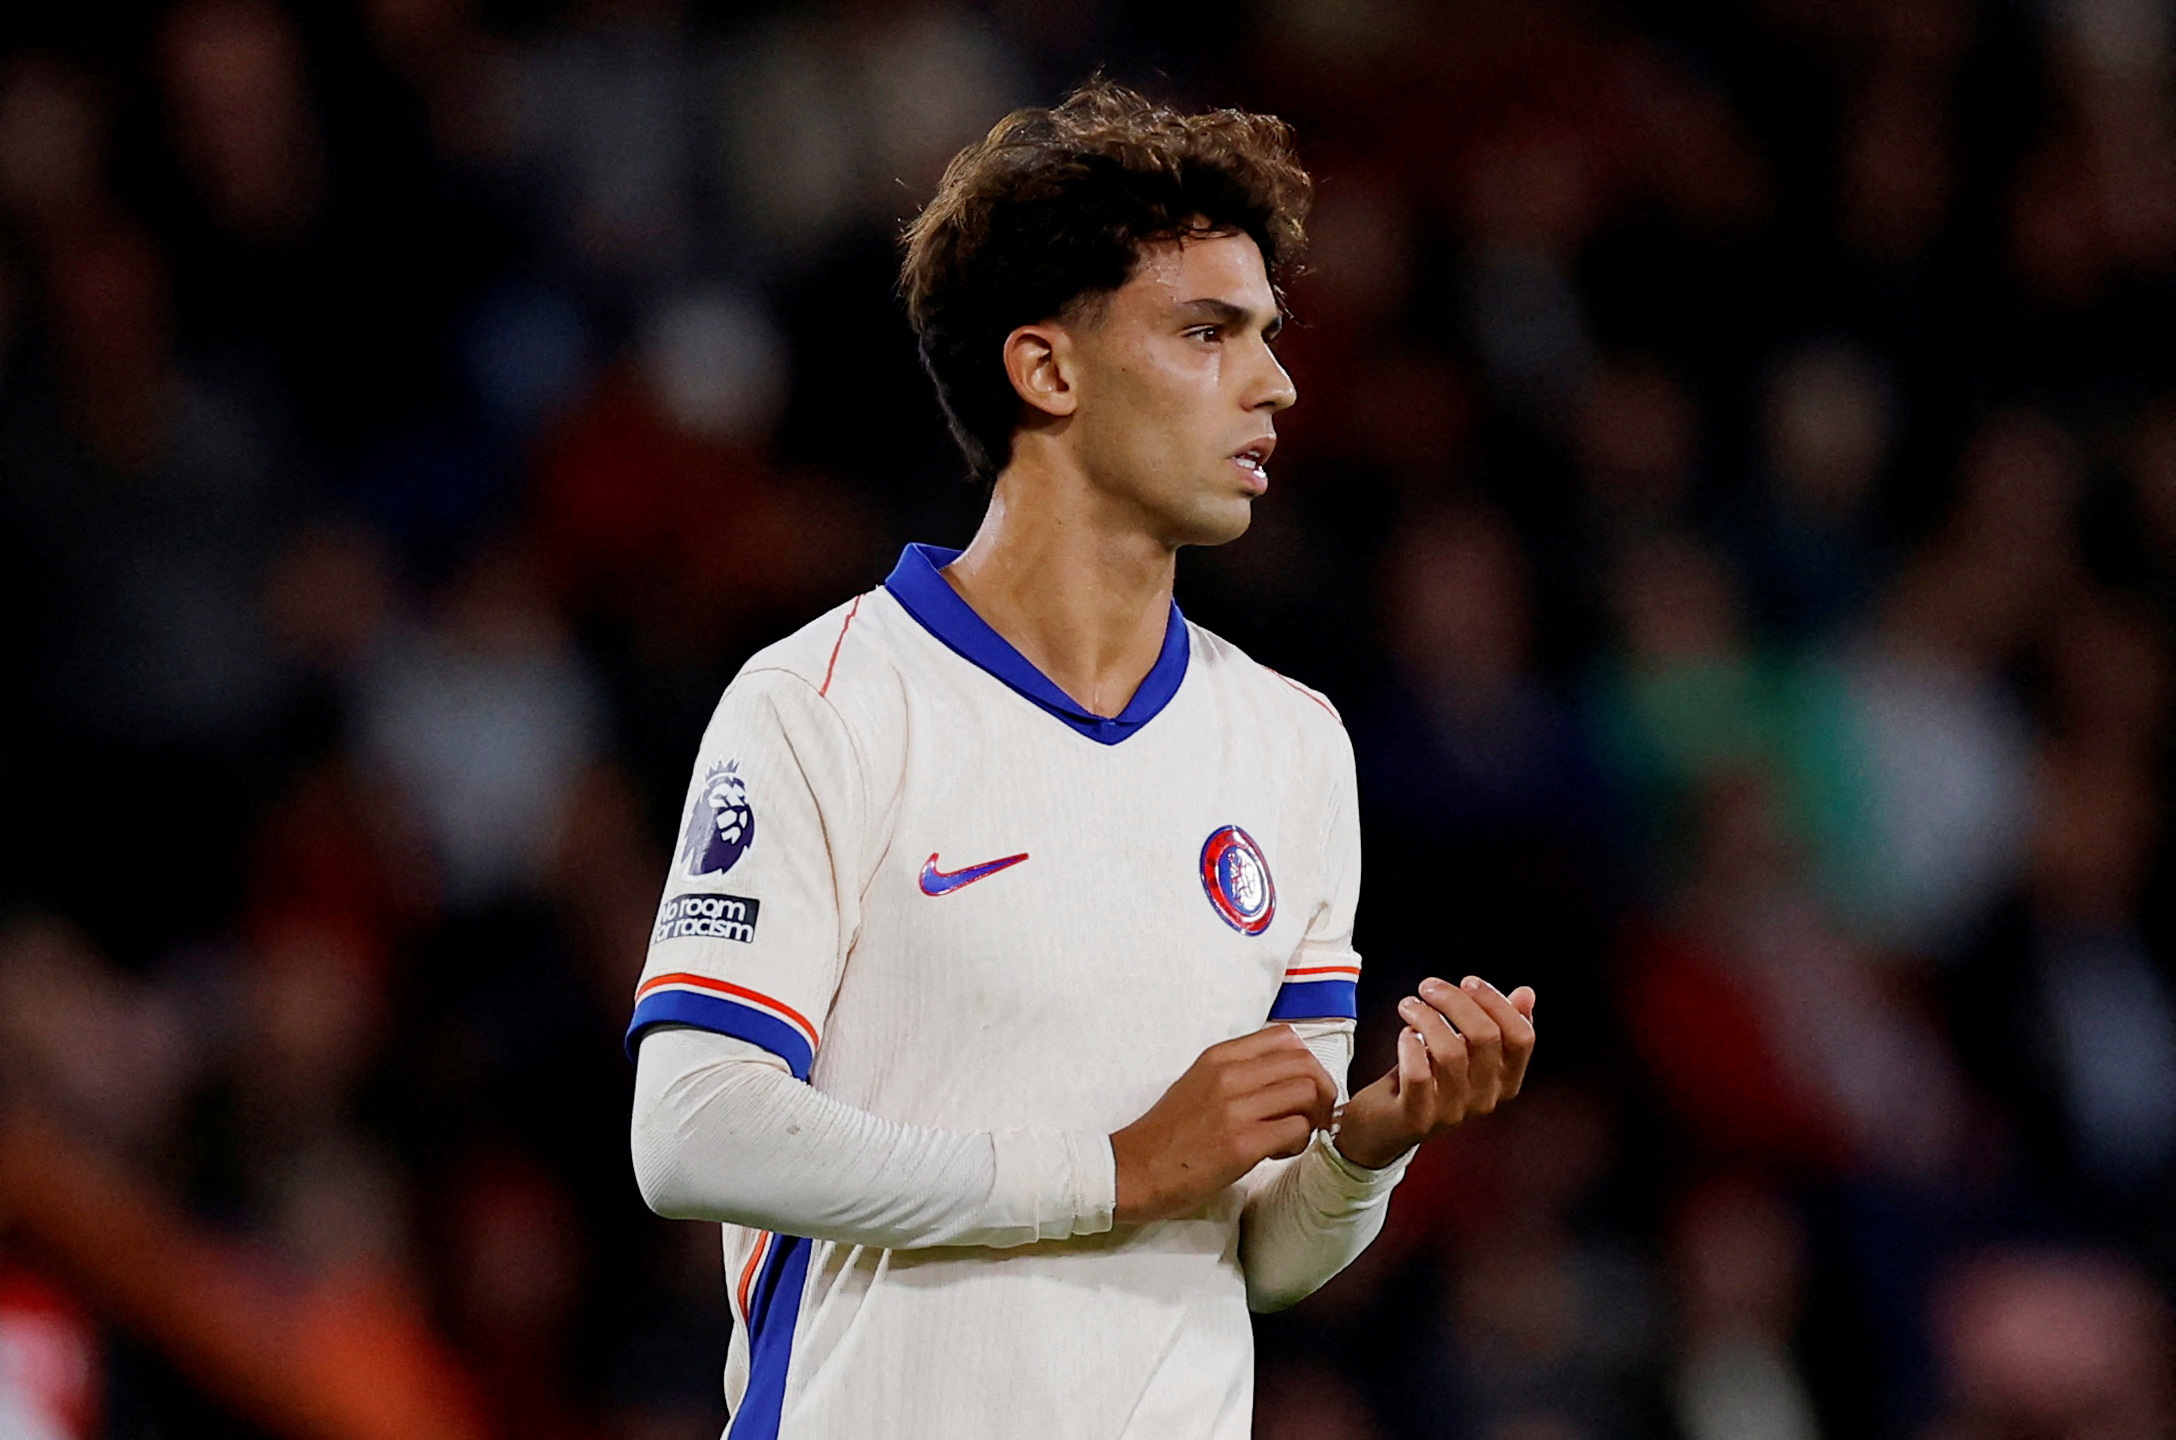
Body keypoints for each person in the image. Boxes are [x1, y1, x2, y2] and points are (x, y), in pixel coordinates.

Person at [626, 81, 1538, 1440]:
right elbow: (691, 1129)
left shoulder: (1291, 745)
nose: (1276, 381)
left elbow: (1266, 1254)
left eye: (1266, 336)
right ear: (1046, 369)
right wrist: (1107, 1172)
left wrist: (1366, 1149)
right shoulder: (825, 702)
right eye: (1205, 332)